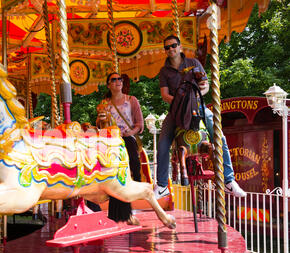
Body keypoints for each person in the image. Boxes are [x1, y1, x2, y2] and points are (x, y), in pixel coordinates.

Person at [154, 35, 246, 199]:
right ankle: (162, 185)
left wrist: (194, 96)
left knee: (218, 134)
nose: (170, 49)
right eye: (167, 47)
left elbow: (205, 86)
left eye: (173, 45)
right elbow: (164, 94)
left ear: (180, 47)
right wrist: (180, 102)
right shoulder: (164, 71)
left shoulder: (193, 63)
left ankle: (229, 180)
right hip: (176, 110)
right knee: (162, 141)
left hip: (197, 106)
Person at [97, 72, 144, 225]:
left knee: (133, 168)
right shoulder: (104, 104)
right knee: (109, 172)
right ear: (108, 84)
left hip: (126, 137)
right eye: (114, 79)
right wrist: (101, 119)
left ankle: (130, 205)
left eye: (120, 79)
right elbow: (99, 124)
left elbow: (139, 124)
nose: (118, 81)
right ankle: (115, 211)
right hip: (111, 140)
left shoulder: (131, 100)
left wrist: (131, 132)